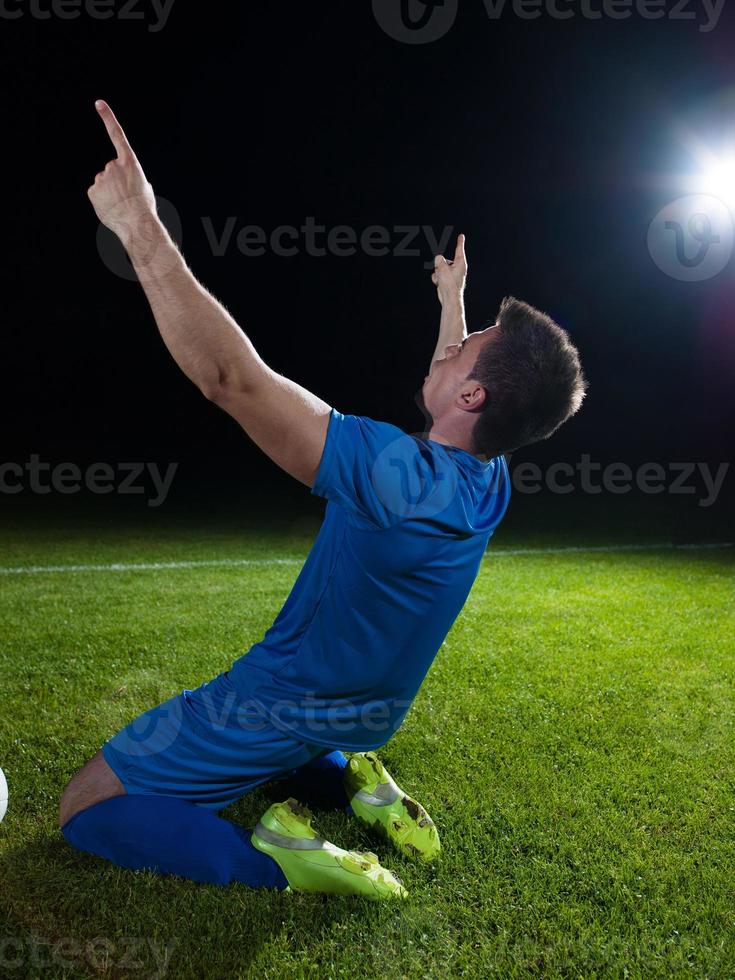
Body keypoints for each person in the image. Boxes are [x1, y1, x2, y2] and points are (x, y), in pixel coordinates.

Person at [59, 101, 587, 900]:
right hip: (365, 716)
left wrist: (139, 227)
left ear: (475, 391)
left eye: (465, 346)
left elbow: (229, 380)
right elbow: (456, 403)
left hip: (278, 705)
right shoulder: (487, 478)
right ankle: (354, 783)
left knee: (87, 808)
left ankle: (278, 859)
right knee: (311, 731)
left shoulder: (385, 472)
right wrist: (454, 299)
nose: (452, 342)